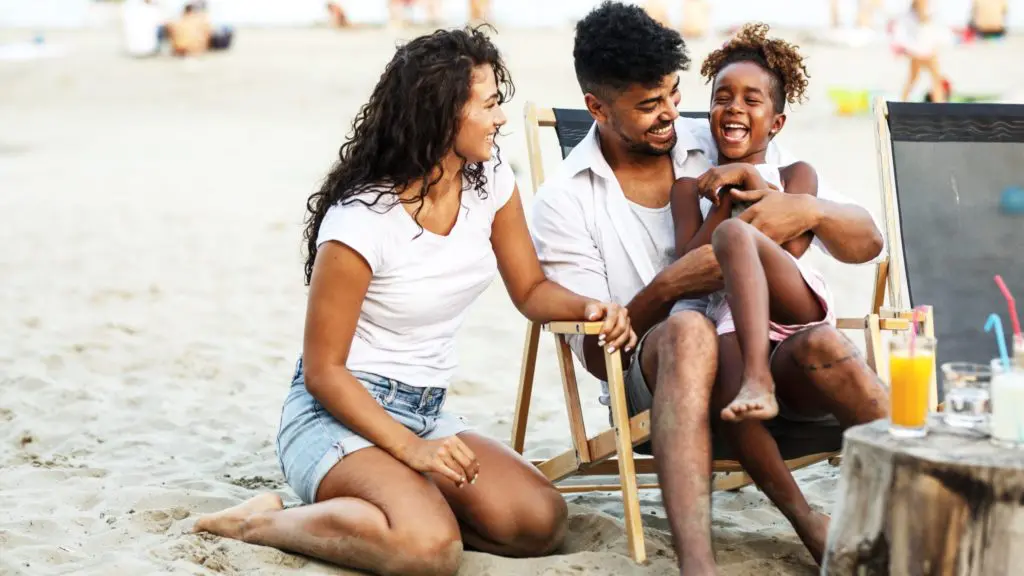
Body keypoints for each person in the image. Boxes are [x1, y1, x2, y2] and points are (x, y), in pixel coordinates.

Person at [192, 26, 636, 576]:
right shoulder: (360, 221)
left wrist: (590, 307)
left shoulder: (490, 180)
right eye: (490, 105)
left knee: (537, 523)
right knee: (428, 552)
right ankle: (258, 521)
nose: (501, 119)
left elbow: (530, 291)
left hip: (425, 412)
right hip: (336, 416)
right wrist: (411, 451)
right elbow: (324, 373)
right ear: (443, 112)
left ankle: (401, 506)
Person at [530, 3, 888, 574]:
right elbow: (600, 360)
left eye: (674, 93)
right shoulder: (564, 201)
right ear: (597, 107)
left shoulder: (724, 134)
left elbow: (867, 241)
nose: (672, 115)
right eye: (649, 105)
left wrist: (809, 206)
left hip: (772, 361)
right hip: (659, 378)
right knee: (690, 328)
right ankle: (699, 566)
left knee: (823, 344)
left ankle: (935, 503)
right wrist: (670, 286)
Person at [669, 23, 836, 422]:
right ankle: (785, 483)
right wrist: (724, 199)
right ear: (710, 112)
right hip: (729, 311)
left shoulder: (797, 175)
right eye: (722, 98)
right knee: (734, 406)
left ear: (776, 124)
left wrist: (750, 178)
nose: (734, 107)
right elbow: (693, 262)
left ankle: (760, 376)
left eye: (751, 99)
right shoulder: (689, 188)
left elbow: (792, 248)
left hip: (793, 305)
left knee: (737, 238)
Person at [891, 0, 948, 102]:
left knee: (915, 78)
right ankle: (939, 106)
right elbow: (922, 19)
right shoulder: (919, 7)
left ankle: (903, 101)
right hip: (923, 49)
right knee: (934, 79)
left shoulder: (912, 11)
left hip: (919, 48)